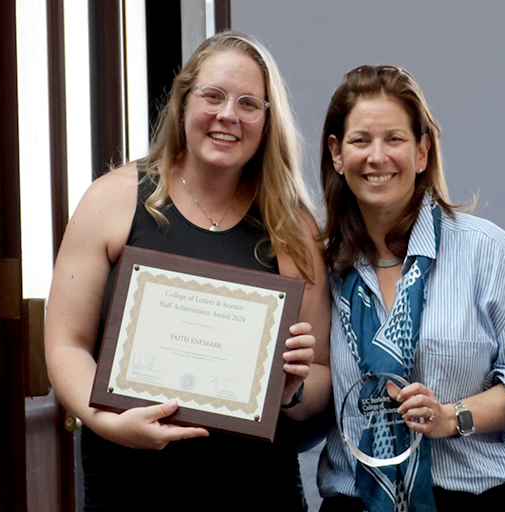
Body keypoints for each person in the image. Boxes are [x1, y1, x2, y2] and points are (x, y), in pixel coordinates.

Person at [44, 31, 330, 511]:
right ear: (182, 103)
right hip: (129, 484)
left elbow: (320, 375)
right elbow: (65, 344)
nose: (227, 116)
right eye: (212, 96)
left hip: (257, 490)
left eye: (248, 103)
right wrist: (106, 421)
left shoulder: (293, 226)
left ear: (266, 119)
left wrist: (291, 391)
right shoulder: (113, 199)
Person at [316, 65, 505, 511]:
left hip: (481, 500)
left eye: (394, 139)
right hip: (357, 501)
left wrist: (451, 417)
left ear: (422, 152)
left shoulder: (486, 251)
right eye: (360, 140)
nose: (377, 156)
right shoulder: (321, 267)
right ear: (337, 154)